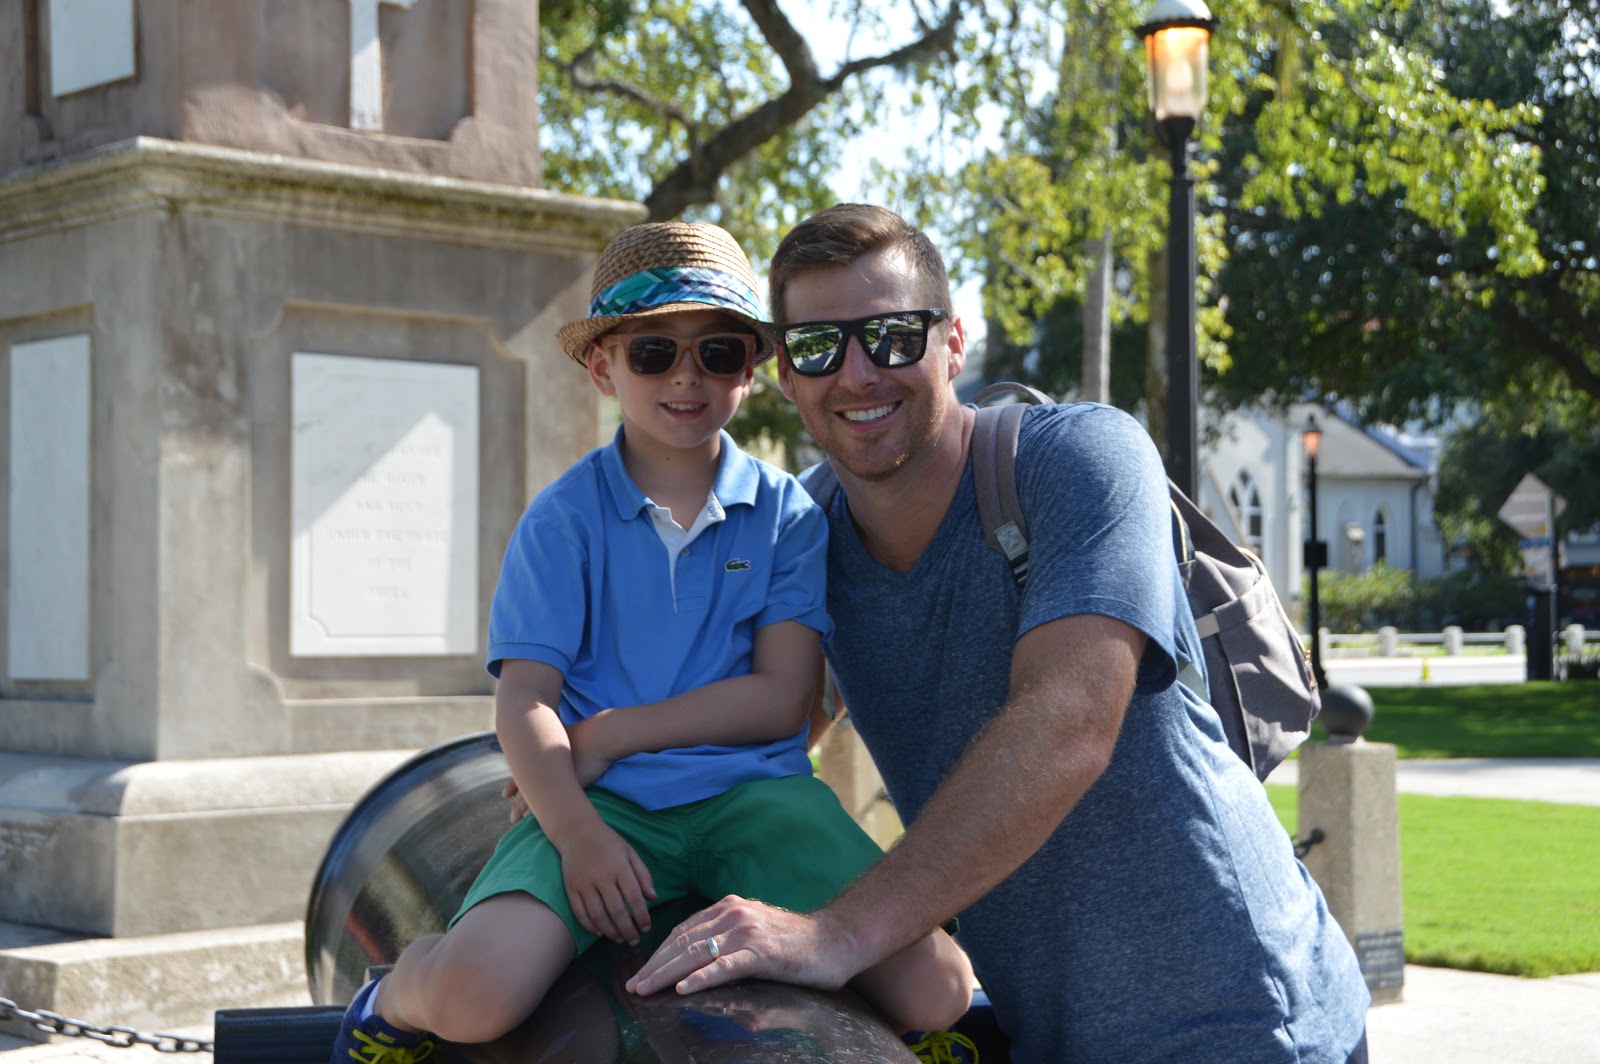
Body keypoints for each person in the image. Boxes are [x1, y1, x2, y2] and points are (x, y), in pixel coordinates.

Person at [626, 204, 1373, 1063]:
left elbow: (1069, 723)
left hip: (1243, 1019)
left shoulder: (1077, 461)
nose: (859, 373)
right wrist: (586, 784)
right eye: (820, 346)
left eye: (893, 337)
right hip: (1048, 1031)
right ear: (787, 375)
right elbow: (760, 722)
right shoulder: (803, 535)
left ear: (953, 343)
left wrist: (838, 933)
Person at [329, 221, 973, 1063]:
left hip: (757, 797)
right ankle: (395, 990)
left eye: (716, 352)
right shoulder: (563, 521)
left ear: (751, 368)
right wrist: (576, 833)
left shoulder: (786, 517)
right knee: (473, 997)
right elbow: (525, 700)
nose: (685, 376)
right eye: (653, 353)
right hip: (607, 804)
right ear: (604, 368)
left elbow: (782, 698)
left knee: (940, 989)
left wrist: (611, 733)